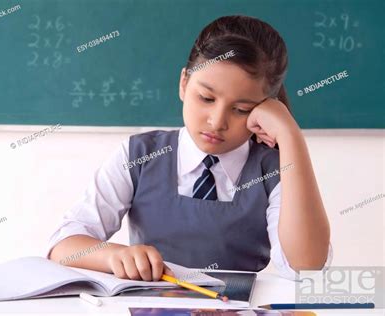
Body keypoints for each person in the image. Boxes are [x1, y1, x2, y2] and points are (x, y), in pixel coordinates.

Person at [48, 15, 332, 281]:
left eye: (241, 109)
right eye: (206, 98)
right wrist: (115, 256)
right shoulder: (139, 155)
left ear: (265, 110)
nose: (217, 122)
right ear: (184, 83)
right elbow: (63, 245)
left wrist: (290, 135)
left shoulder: (272, 168)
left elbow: (306, 268)